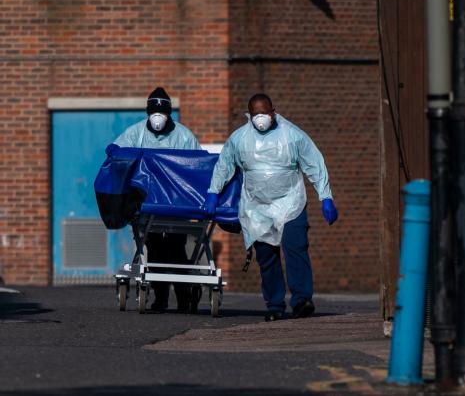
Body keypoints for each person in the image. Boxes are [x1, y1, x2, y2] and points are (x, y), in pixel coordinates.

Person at [203, 93, 338, 321]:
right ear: (250, 115)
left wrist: (325, 196)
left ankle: (302, 300)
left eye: (265, 113)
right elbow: (224, 166)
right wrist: (213, 192)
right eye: (256, 114)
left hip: (290, 202)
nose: (261, 118)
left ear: (273, 112)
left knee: (296, 248)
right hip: (257, 207)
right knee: (266, 257)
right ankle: (275, 304)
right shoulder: (239, 139)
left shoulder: (293, 136)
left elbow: (314, 163)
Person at [107, 87, 202, 312]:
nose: (158, 117)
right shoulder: (135, 133)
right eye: (154, 112)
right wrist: (114, 151)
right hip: (146, 205)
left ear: (169, 114)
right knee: (155, 249)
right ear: (148, 113)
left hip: (175, 205)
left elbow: (197, 166)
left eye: (163, 113)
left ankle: (183, 298)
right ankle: (160, 298)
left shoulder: (183, 136)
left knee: (176, 249)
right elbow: (118, 154)